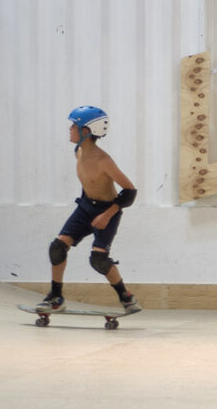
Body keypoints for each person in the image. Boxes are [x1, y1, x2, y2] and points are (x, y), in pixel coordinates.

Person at [41, 105, 142, 314]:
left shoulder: (104, 160)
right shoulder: (78, 151)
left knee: (98, 260)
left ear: (86, 131)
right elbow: (89, 182)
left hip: (107, 211)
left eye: (73, 126)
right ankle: (56, 296)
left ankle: (126, 297)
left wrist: (107, 215)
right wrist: (87, 207)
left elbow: (130, 192)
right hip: (85, 207)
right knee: (57, 248)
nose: (70, 129)